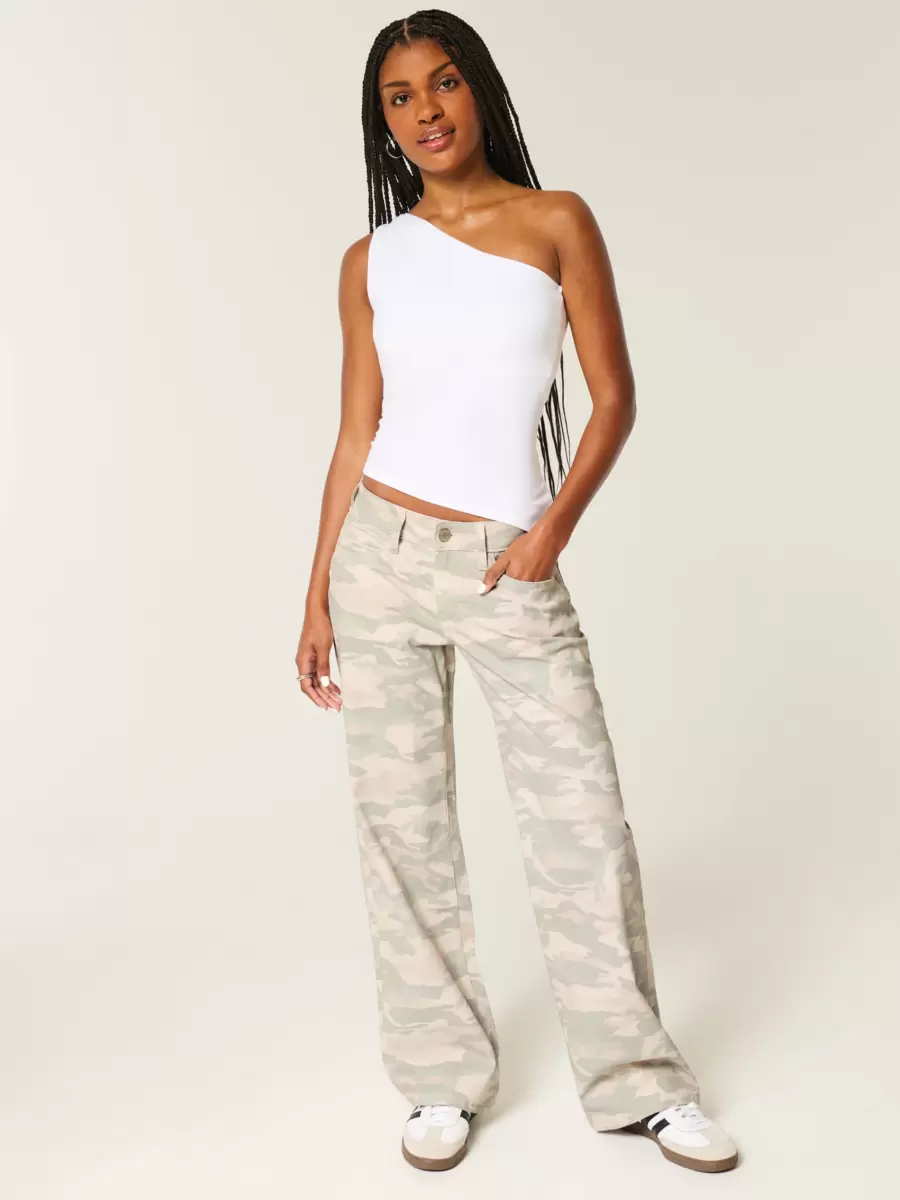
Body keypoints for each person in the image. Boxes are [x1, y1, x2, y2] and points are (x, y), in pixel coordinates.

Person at [296, 9, 739, 1175]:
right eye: (399, 97)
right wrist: (317, 593)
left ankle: (638, 1084)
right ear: (383, 123)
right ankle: (440, 1078)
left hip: (508, 560)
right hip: (380, 559)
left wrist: (552, 531)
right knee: (402, 831)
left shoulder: (557, 222)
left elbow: (614, 397)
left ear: (478, 91)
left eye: (443, 84)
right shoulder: (371, 260)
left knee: (581, 821)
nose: (426, 111)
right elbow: (353, 433)